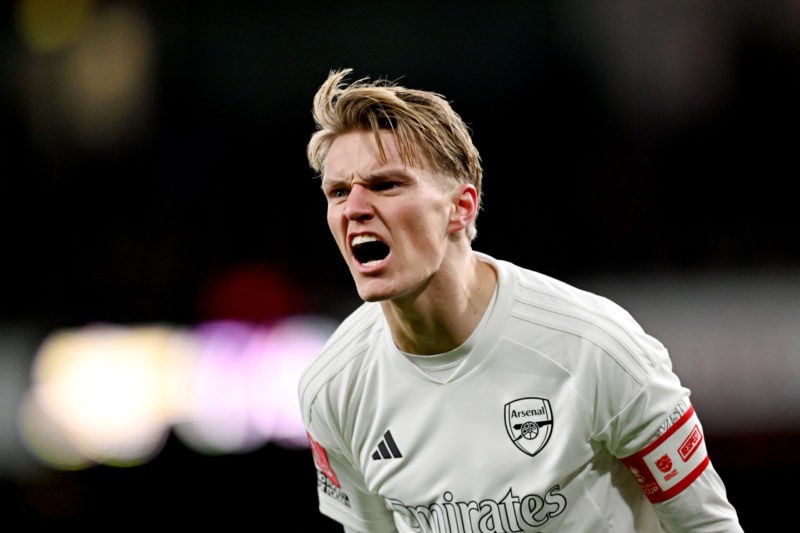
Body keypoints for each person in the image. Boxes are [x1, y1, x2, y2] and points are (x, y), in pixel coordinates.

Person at [297, 68, 744, 533]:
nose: (353, 209)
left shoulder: (596, 347)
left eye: (386, 185)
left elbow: (706, 526)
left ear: (461, 207)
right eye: (338, 192)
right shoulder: (334, 386)